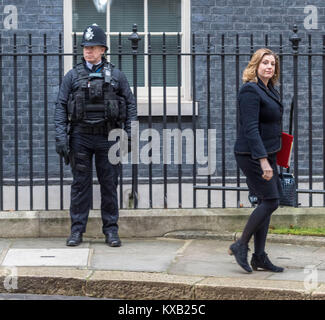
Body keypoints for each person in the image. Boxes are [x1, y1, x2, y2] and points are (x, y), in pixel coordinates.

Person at [55, 24, 137, 247]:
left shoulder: (117, 75)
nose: (87, 51)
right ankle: (76, 231)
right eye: (85, 47)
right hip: (80, 137)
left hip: (108, 137)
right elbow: (61, 107)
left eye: (92, 47)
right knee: (80, 185)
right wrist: (61, 137)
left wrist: (130, 135)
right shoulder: (72, 76)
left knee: (109, 184)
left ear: (103, 49)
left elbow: (130, 106)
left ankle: (111, 231)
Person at [229, 48, 284, 273]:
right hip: (252, 155)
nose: (269, 67)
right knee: (271, 200)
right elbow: (251, 128)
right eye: (265, 63)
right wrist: (263, 161)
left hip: (268, 153)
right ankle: (241, 244)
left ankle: (259, 256)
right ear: (255, 65)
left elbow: (270, 125)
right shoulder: (250, 91)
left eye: (272, 64)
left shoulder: (269, 90)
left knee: (268, 201)